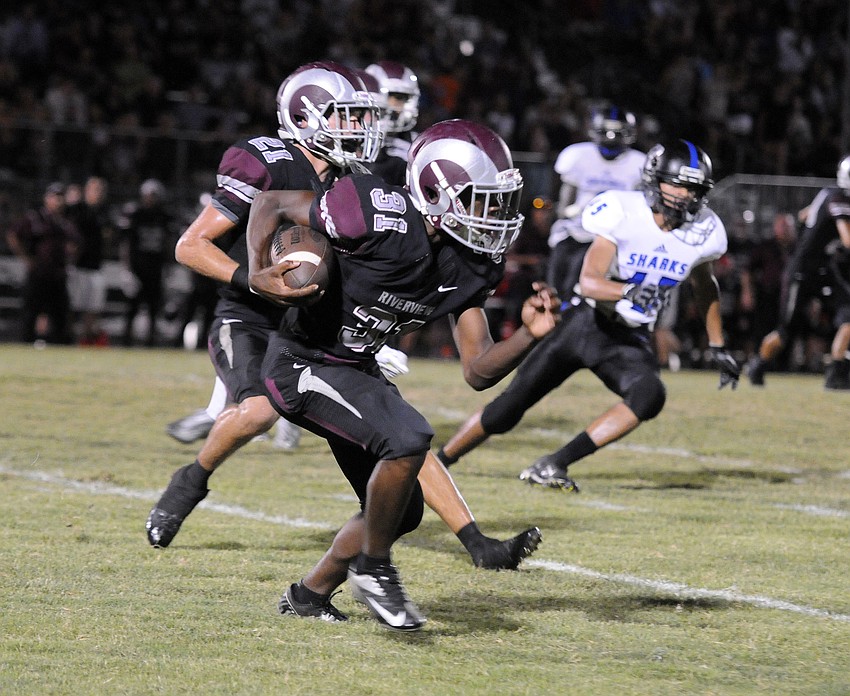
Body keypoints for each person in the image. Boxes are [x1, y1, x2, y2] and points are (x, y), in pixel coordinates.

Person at [147, 65, 540, 576]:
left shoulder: (358, 181)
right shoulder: (268, 162)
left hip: (324, 325)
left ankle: (474, 539)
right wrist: (255, 278)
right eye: (347, 116)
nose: (360, 128)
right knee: (260, 411)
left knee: (402, 430)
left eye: (362, 117)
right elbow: (190, 246)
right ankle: (190, 481)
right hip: (252, 315)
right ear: (305, 114)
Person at [245, 119, 560, 630]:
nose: (495, 215)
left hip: (355, 369)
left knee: (403, 511)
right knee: (409, 437)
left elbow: (478, 370)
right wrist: (259, 271)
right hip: (302, 361)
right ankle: (374, 567)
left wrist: (529, 336)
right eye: (481, 200)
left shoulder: (471, 264)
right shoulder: (374, 210)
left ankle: (309, 594)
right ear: (437, 192)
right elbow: (273, 204)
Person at [435, 139, 740, 492]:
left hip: (630, 337)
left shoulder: (704, 231)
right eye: (679, 184)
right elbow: (590, 281)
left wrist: (717, 344)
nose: (686, 195)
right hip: (585, 323)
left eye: (694, 188)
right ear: (654, 181)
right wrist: (626, 290)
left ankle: (554, 464)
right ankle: (440, 461)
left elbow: (706, 288)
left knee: (649, 395)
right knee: (509, 407)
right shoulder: (624, 212)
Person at [747, 153, 850, 390]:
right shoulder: (839, 197)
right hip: (803, 269)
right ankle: (759, 364)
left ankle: (836, 374)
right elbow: (848, 240)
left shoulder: (828, 193)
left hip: (823, 267)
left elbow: (804, 215)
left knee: (849, 313)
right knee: (786, 331)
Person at [546, 105, 645, 302]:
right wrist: (564, 212)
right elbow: (565, 199)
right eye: (606, 131)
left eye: (616, 133)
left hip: (611, 235)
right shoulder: (577, 155)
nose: (610, 137)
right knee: (555, 282)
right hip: (575, 228)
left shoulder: (639, 163)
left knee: (578, 279)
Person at [5, 181, 80, 345]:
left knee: (61, 315)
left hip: (58, 274)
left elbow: (75, 242)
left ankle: (59, 347)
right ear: (47, 199)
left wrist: (70, 255)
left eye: (61, 197)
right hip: (39, 273)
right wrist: (25, 258)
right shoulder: (35, 218)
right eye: (55, 197)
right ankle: (26, 344)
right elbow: (13, 234)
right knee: (31, 313)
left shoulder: (66, 222)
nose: (58, 201)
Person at [119, 178, 175, 347]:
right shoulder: (135, 214)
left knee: (153, 307)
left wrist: (169, 266)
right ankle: (126, 340)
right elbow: (125, 244)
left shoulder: (164, 216)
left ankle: (150, 340)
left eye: (154, 195)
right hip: (138, 268)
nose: (151, 198)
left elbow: (168, 243)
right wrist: (126, 269)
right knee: (132, 307)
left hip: (155, 268)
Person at [65, 176, 111, 346]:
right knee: (73, 306)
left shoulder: (104, 212)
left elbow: (108, 235)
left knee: (93, 308)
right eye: (94, 189)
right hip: (78, 266)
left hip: (96, 266)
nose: (98, 193)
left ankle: (85, 341)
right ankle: (68, 338)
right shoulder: (77, 209)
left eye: (100, 190)